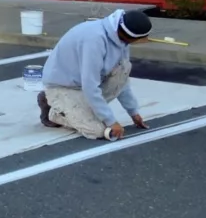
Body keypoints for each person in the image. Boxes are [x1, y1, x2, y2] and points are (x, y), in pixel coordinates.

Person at [37, 8, 154, 140]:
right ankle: (54, 109)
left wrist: (133, 112)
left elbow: (122, 79)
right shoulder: (94, 40)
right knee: (97, 131)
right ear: (130, 36)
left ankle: (77, 108)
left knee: (123, 67)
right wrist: (111, 121)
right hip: (64, 87)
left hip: (84, 86)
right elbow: (90, 85)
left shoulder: (121, 38)